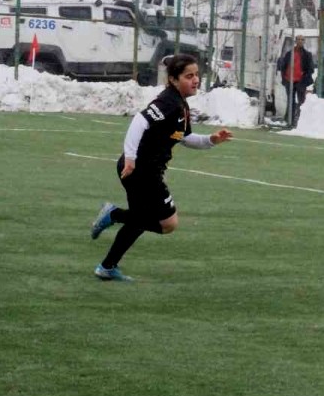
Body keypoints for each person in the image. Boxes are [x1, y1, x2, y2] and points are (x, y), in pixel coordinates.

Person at [89, 54, 233, 281]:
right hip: (141, 171)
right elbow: (140, 121)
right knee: (167, 223)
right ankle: (113, 214)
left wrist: (211, 140)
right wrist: (131, 158)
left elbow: (185, 138)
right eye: (189, 76)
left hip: (143, 170)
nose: (195, 80)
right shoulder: (169, 102)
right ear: (174, 79)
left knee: (139, 220)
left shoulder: (181, 105)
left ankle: (107, 266)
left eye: (197, 75)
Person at [276, 35, 314, 126]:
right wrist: (284, 79)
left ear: (304, 41)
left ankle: (300, 119)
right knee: (290, 100)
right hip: (289, 80)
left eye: (302, 40)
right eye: (298, 39)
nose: (300, 41)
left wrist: (304, 79)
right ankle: (289, 119)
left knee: (301, 101)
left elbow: (310, 69)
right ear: (295, 41)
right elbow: (283, 66)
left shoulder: (307, 54)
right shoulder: (289, 54)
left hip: (301, 81)